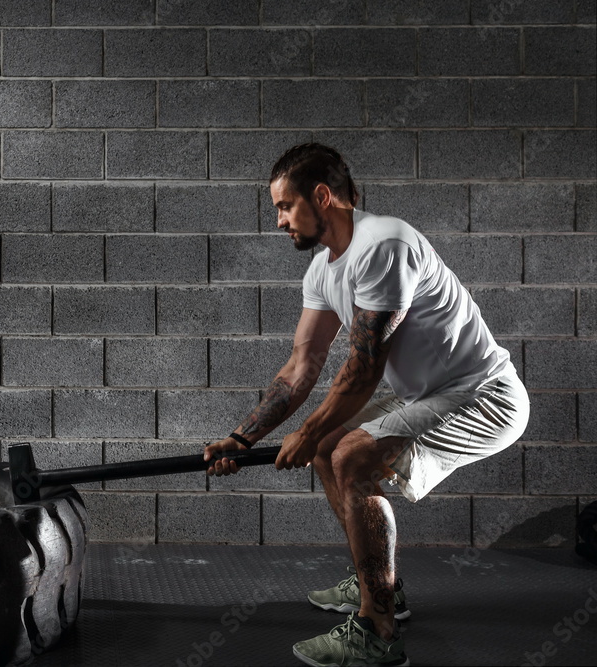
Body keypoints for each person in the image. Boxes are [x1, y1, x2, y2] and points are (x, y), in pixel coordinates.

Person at [203, 143, 530, 667]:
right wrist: (242, 439)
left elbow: (364, 368)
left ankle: (377, 634)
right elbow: (300, 367)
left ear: (323, 196)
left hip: (484, 397)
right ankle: (378, 587)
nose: (280, 221)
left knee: (348, 454)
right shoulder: (322, 272)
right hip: (431, 395)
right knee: (328, 446)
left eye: (285, 207)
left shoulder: (384, 243)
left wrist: (307, 432)